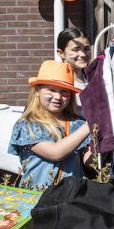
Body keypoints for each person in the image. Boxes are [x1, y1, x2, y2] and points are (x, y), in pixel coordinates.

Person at [8, 60, 92, 190]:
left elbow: (88, 161)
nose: (58, 96)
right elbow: (55, 152)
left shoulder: (77, 123)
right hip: (36, 194)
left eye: (64, 92)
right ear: (37, 91)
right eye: (51, 90)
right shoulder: (28, 125)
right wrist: (88, 126)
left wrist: (100, 138)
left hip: (70, 196)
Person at [56, 27, 91, 109]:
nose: (83, 54)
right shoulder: (56, 82)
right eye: (75, 49)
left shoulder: (93, 78)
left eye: (86, 49)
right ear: (61, 53)